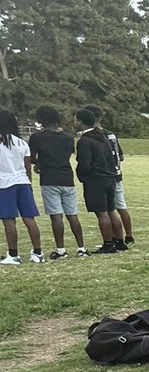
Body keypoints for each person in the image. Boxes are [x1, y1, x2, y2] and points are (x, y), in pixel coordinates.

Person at [29, 106, 87, 259]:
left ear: (41, 120)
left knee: (56, 216)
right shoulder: (68, 138)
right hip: (67, 178)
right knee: (72, 214)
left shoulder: (37, 138)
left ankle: (61, 250)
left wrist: (39, 164)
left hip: (49, 179)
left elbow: (32, 158)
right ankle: (81, 248)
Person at [82, 104, 134, 246]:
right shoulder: (111, 134)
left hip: (103, 176)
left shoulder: (96, 135)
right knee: (119, 207)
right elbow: (120, 156)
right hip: (116, 173)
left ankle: (111, 240)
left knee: (107, 210)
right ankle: (127, 237)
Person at [74, 108, 124, 253]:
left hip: (96, 180)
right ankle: (119, 241)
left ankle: (108, 244)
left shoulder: (85, 141)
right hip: (110, 177)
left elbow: (85, 164)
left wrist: (82, 176)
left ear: (81, 122)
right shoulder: (104, 137)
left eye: (75, 120)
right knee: (111, 210)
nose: (74, 122)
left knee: (102, 213)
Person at [0, 110, 43, 265]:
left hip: (4, 184)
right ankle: (38, 253)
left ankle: (13, 255)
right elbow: (27, 167)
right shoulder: (22, 142)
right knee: (29, 219)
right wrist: (29, 184)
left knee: (9, 220)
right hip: (23, 183)